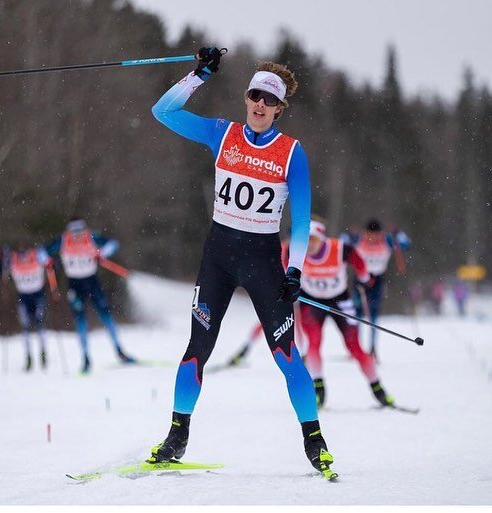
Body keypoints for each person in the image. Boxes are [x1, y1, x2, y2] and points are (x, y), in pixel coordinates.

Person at [148, 48, 335, 477]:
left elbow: (302, 219)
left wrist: (295, 271)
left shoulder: (292, 153)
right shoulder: (222, 133)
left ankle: (315, 441)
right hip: (217, 258)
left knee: (287, 355)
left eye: (269, 101)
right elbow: (162, 111)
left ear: (280, 108)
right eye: (255, 95)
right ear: (246, 97)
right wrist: (199, 76)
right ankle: (176, 436)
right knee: (197, 348)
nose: (260, 105)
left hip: (264, 261)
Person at [297, 219, 395, 409]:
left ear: (322, 238)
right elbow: (283, 267)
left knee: (354, 347)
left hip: (340, 301)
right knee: (314, 342)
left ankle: (378, 388)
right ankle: (318, 389)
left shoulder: (340, 248)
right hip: (311, 301)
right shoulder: (296, 250)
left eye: (313, 240)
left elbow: (358, 261)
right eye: (306, 240)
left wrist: (365, 278)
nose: (309, 245)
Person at [44, 217, 135, 373]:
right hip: (74, 284)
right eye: (74, 231)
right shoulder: (63, 241)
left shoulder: (91, 237)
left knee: (106, 315)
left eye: (80, 230)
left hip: (92, 282)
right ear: (69, 231)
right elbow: (41, 252)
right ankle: (86, 358)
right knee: (81, 320)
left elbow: (113, 244)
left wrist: (102, 253)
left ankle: (119, 350)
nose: (78, 235)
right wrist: (49, 261)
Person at [346, 219, 410, 358]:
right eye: (369, 234)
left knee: (374, 313)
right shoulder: (359, 239)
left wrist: (398, 233)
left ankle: (373, 347)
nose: (372, 237)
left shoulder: (387, 240)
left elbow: (406, 244)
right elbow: (341, 243)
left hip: (377, 280)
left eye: (375, 234)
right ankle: (356, 348)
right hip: (360, 279)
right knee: (357, 313)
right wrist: (349, 235)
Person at [0, 243, 53, 371]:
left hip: (38, 295)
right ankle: (28, 357)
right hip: (24, 297)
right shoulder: (12, 259)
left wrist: (48, 259)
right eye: (20, 251)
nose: (23, 254)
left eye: (24, 251)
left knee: (40, 323)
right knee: (25, 327)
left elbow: (52, 265)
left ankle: (43, 353)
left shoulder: (36, 255)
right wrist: (1, 258)